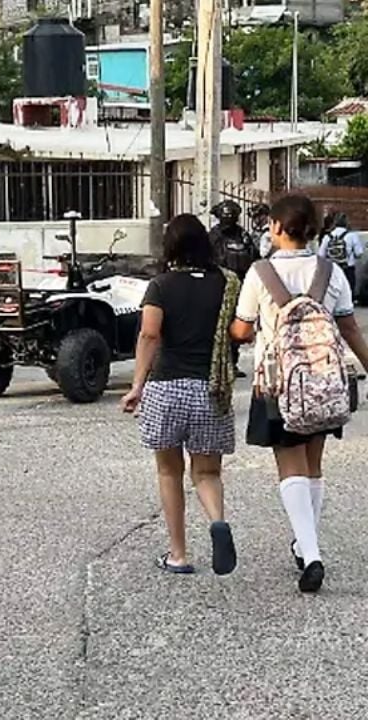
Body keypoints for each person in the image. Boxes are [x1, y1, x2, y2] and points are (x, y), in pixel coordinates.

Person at [231, 195, 368, 593]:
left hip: (278, 383)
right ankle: (304, 544)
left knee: (289, 466)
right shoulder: (329, 271)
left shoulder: (260, 272)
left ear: (275, 227)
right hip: (324, 382)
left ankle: (311, 556)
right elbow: (349, 327)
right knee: (313, 465)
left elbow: (242, 329)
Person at [122, 214, 239, 576]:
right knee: (207, 473)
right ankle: (218, 522)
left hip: (167, 388)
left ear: (170, 246)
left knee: (169, 472)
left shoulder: (160, 285)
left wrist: (137, 385)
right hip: (210, 389)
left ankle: (178, 555)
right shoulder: (226, 284)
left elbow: (150, 334)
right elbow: (240, 330)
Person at [209, 200, 258, 377]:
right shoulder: (213, 236)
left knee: (236, 325)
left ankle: (232, 362)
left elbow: (254, 257)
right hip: (218, 284)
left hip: (240, 285)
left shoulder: (243, 235)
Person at [317, 212, 364, 292]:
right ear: (347, 222)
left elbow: (321, 255)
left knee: (333, 292)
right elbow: (359, 253)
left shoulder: (327, 237)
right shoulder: (352, 235)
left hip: (332, 269)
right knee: (348, 292)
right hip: (348, 269)